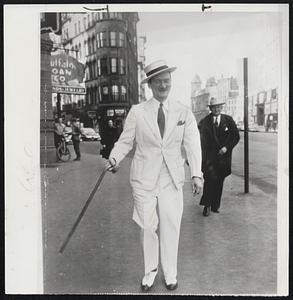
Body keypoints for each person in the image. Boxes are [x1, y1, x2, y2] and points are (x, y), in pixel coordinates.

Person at [105, 60, 203, 291]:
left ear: (171, 82)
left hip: (171, 177)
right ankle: (150, 271)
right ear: (149, 84)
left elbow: (193, 144)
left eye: (166, 80)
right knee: (147, 226)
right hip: (143, 178)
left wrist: (197, 174)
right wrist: (114, 158)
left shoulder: (183, 112)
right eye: (157, 81)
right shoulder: (137, 112)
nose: (163, 85)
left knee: (170, 225)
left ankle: (170, 273)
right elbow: (125, 141)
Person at [198, 97, 240, 217]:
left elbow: (235, 137)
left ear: (221, 107)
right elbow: (199, 139)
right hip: (209, 159)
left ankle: (215, 205)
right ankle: (207, 205)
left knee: (219, 181)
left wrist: (227, 148)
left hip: (223, 159)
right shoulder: (204, 122)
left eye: (218, 107)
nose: (216, 109)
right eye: (214, 107)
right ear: (210, 109)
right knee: (210, 180)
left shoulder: (228, 120)